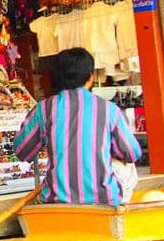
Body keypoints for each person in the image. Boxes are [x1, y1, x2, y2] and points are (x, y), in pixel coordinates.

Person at [14, 48, 142, 205]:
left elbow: (21, 151)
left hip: (56, 201)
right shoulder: (109, 110)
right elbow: (132, 153)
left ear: (57, 77)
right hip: (105, 200)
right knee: (128, 169)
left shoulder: (44, 109)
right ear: (90, 77)